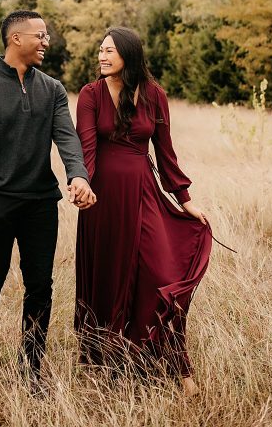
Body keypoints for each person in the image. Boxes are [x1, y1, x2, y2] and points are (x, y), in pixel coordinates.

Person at [0, 9, 96, 394]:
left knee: (40, 288)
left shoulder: (52, 89)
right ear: (16, 39)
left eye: (47, 35)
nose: (46, 42)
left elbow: (67, 139)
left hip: (40, 205)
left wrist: (77, 175)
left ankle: (31, 369)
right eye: (40, 35)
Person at [74, 26, 211, 397]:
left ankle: (179, 368)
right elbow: (85, 147)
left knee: (160, 274)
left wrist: (185, 200)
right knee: (107, 276)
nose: (102, 56)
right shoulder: (90, 95)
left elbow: (166, 153)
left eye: (110, 51)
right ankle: (105, 363)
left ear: (128, 55)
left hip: (145, 193)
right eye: (100, 50)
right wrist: (81, 182)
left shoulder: (154, 95)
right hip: (102, 199)